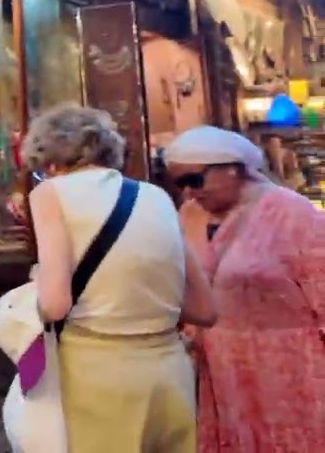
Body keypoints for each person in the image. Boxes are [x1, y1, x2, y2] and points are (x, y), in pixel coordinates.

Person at [20, 103, 217, 453]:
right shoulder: (156, 197)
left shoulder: (49, 194)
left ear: (50, 163)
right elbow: (205, 310)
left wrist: (22, 306)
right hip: (170, 375)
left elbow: (55, 304)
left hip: (99, 374)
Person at [164, 125, 323, 452]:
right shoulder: (189, 215)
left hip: (289, 366)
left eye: (195, 180)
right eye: (179, 183)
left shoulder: (291, 212)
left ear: (232, 168)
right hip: (220, 366)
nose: (189, 192)